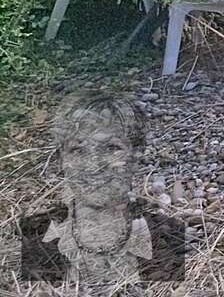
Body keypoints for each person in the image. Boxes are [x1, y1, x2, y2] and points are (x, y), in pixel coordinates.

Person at [18, 90, 184, 294]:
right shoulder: (37, 236)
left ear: (137, 154)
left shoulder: (165, 237)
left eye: (111, 148)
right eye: (78, 150)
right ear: (61, 158)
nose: (93, 165)